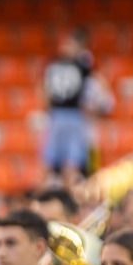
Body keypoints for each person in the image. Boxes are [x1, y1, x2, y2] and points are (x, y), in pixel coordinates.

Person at [41, 30, 93, 181]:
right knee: (53, 161)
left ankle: (70, 194)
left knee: (69, 162)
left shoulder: (77, 64)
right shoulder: (79, 64)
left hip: (69, 115)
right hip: (63, 115)